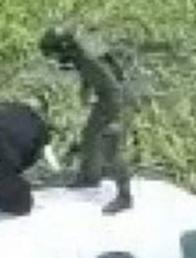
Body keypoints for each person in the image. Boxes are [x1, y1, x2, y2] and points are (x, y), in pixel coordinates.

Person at [38, 26, 133, 214]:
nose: (56, 59)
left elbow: (114, 86)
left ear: (64, 48)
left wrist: (114, 118)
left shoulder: (89, 58)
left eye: (56, 54)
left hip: (114, 101)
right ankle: (90, 177)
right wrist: (86, 89)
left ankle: (125, 196)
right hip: (104, 99)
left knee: (110, 149)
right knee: (90, 137)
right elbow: (90, 75)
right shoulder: (80, 56)